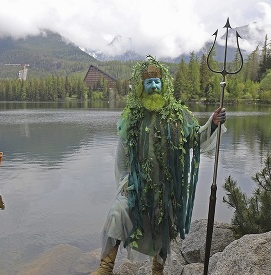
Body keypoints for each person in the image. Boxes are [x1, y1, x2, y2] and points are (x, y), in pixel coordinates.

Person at [91, 55, 226, 275]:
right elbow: (122, 161)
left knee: (163, 227)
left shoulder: (178, 115)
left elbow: (194, 140)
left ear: (164, 84)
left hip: (166, 188)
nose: (153, 86)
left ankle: (157, 270)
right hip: (137, 188)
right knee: (117, 212)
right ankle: (105, 268)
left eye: (157, 82)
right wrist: (127, 184)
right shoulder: (132, 118)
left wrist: (213, 123)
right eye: (148, 82)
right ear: (141, 87)